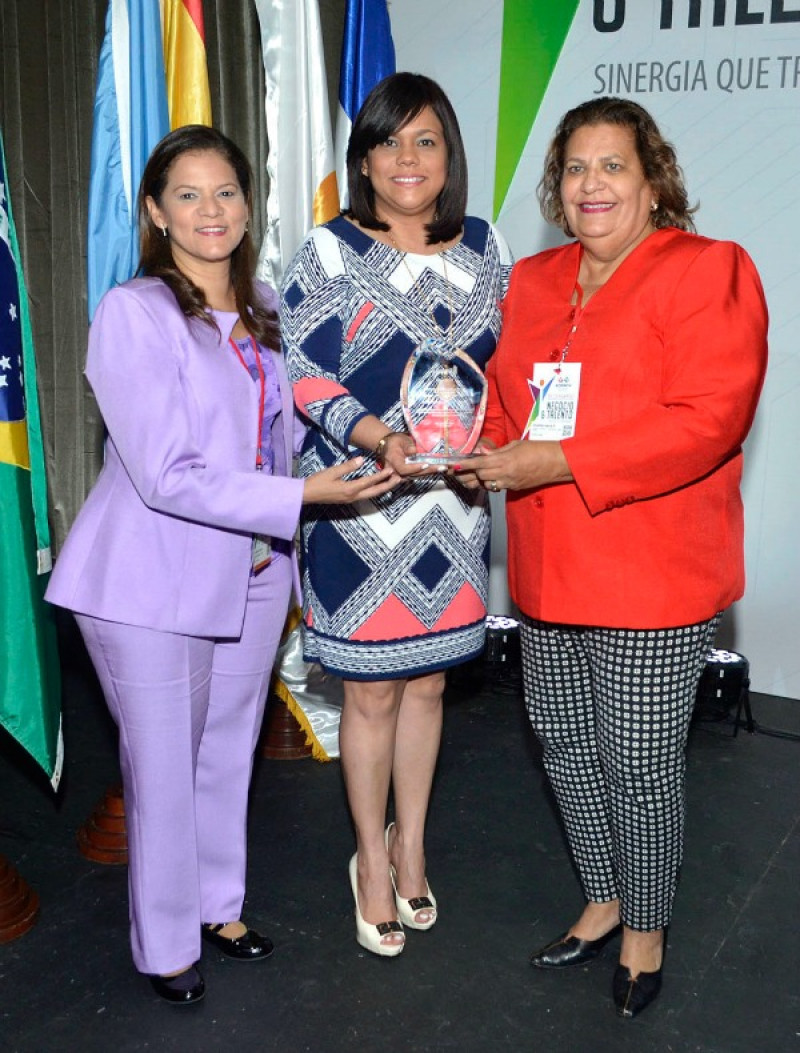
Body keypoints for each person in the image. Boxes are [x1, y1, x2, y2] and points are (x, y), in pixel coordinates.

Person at [45, 126, 393, 1004]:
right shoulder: (134, 313)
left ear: (247, 205)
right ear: (156, 213)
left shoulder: (266, 305)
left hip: (253, 572)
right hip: (147, 581)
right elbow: (167, 474)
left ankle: (216, 907)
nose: (212, 210)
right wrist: (304, 496)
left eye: (227, 191)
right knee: (164, 765)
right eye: (188, 195)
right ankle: (166, 945)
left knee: (226, 749)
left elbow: (287, 426)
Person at [458, 97, 767, 1017]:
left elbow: (708, 419)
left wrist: (554, 460)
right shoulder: (535, 278)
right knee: (562, 741)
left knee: (637, 761)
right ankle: (602, 896)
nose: (591, 185)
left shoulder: (708, 269)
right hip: (549, 563)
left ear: (652, 180)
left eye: (612, 166)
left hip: (652, 573)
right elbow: (511, 401)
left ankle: (646, 927)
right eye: (575, 168)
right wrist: (479, 447)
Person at [280, 73, 512, 956]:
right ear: (364, 158)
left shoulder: (486, 247)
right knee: (371, 691)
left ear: (449, 153)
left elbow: (504, 365)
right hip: (360, 502)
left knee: (428, 684)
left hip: (453, 508)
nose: (406, 159)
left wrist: (495, 446)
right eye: (388, 141)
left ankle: (410, 845)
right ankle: (369, 863)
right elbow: (304, 373)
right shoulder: (328, 252)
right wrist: (380, 437)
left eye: (425, 140)